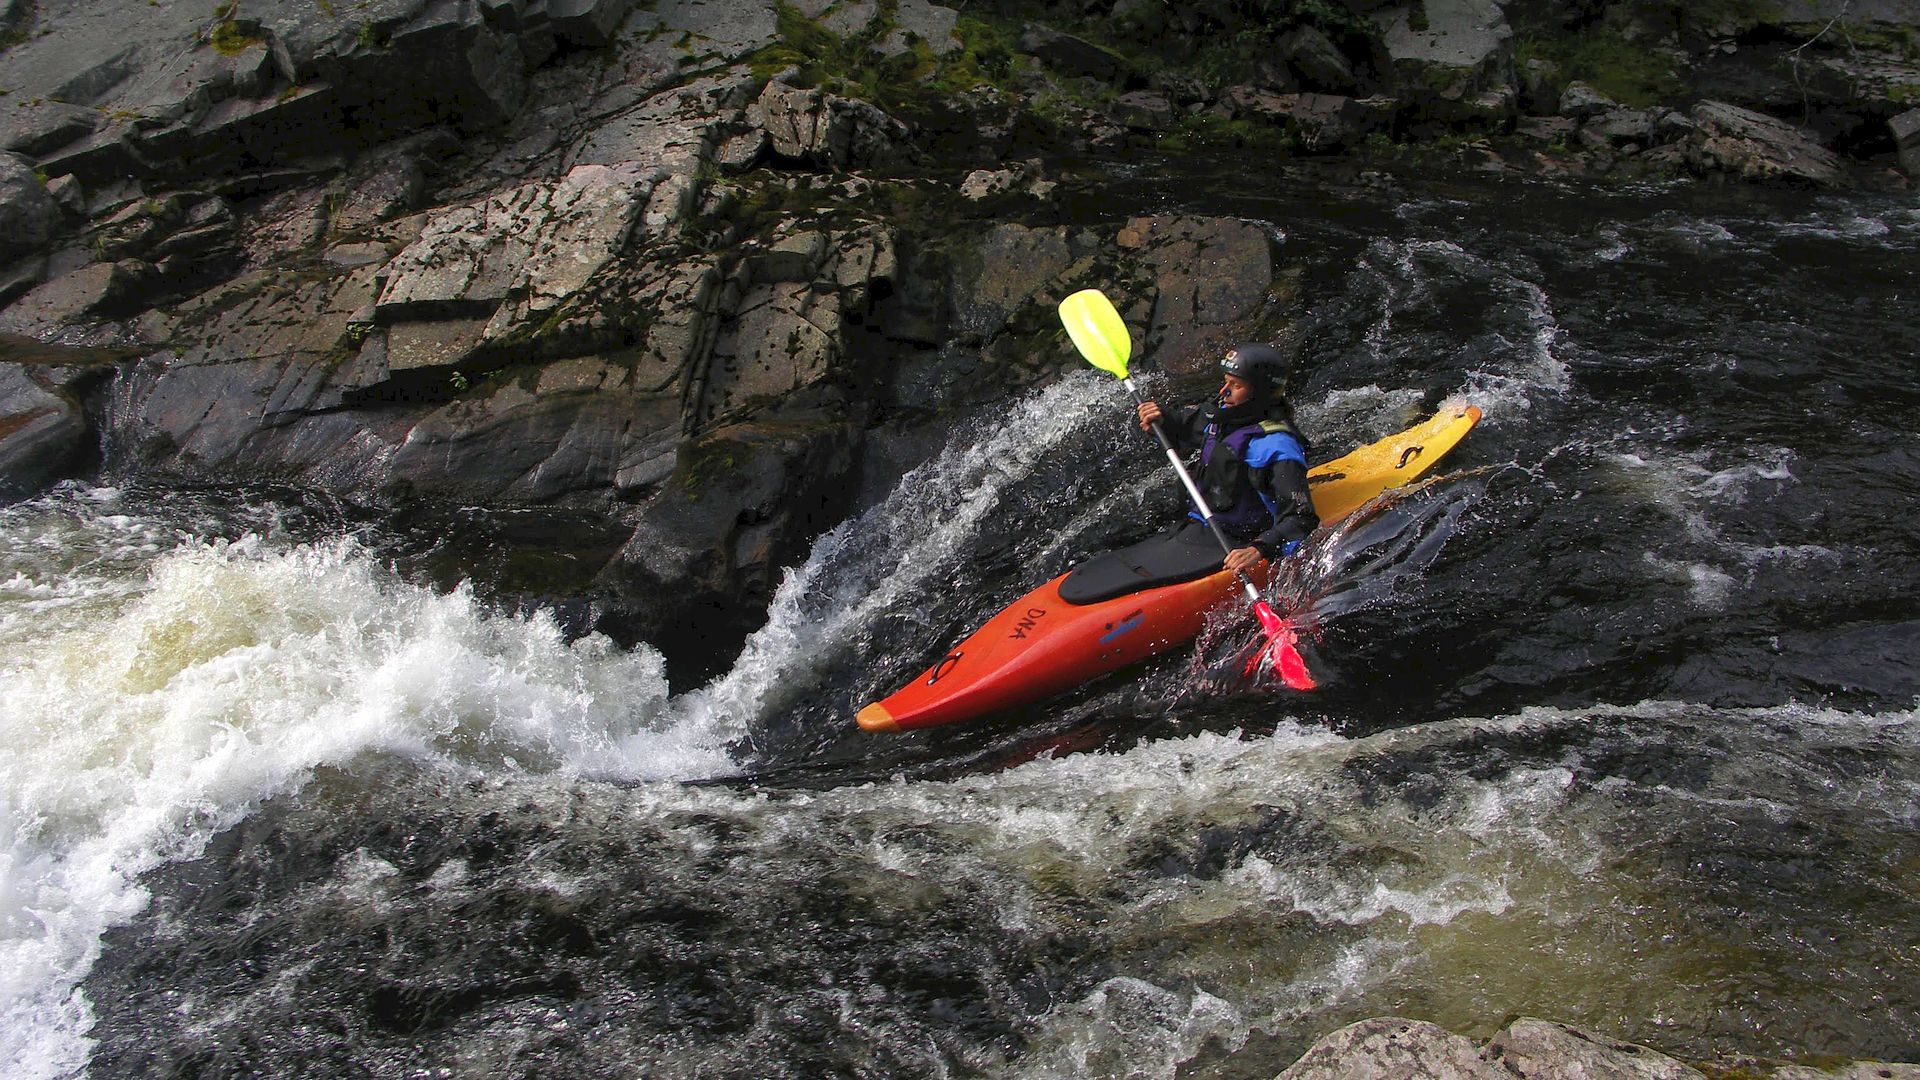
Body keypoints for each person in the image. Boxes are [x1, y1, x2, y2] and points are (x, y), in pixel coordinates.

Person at [1135, 343, 1317, 576]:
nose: (1224, 391)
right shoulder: (1224, 417)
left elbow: (1301, 518)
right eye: (1226, 381)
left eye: (1236, 385)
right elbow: (1182, 426)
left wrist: (1259, 549)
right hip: (1200, 527)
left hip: (1237, 543)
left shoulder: (1277, 448)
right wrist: (1161, 419)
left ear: (1259, 393)